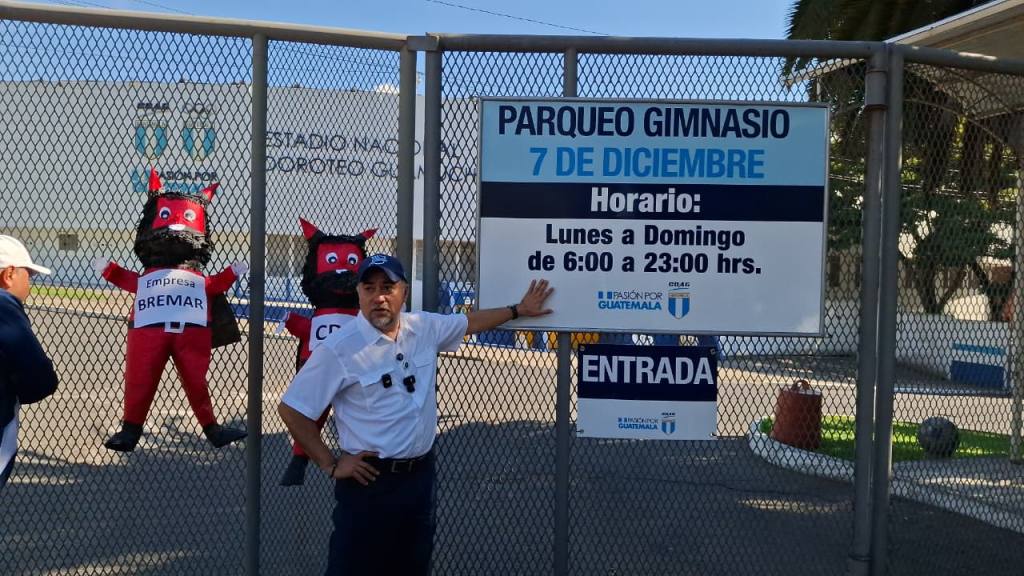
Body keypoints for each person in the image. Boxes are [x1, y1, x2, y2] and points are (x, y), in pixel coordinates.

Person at [278, 254, 554, 576]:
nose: (379, 297)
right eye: (369, 288)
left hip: (419, 480)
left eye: (388, 287)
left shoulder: (423, 328)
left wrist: (518, 310)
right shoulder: (340, 348)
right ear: (359, 294)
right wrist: (331, 463)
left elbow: (470, 322)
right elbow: (292, 409)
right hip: (369, 483)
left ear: (403, 293)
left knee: (412, 565)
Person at [0, 235, 59, 490]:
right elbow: (39, 378)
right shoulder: (4, 308)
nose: (30, 284)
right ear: (9, 274)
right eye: (28, 275)